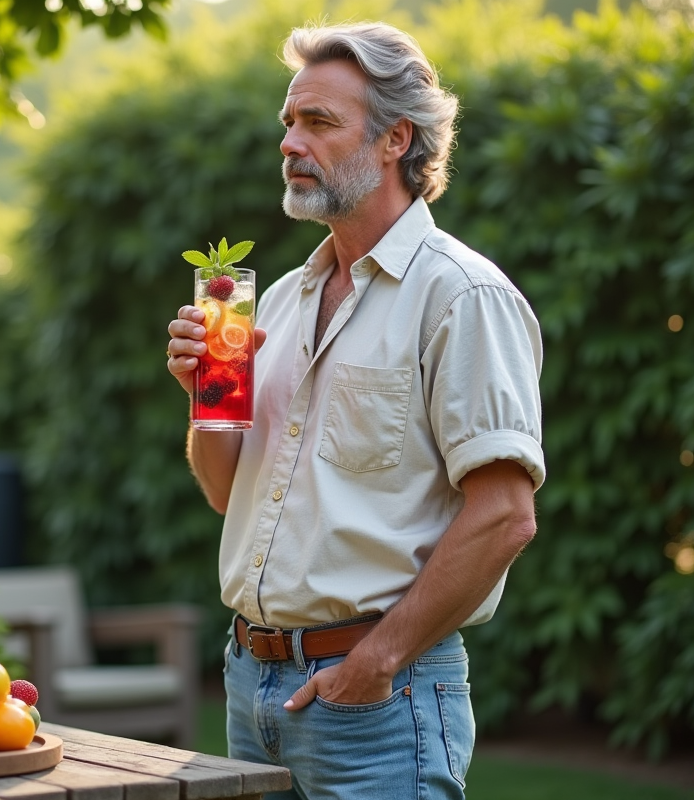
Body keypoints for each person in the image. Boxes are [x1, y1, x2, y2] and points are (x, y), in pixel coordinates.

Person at [165, 21, 545, 800]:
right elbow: (224, 493)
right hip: (250, 687)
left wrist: (376, 661)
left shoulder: (460, 296)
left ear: (393, 140)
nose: (290, 142)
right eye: (288, 122)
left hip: (378, 697)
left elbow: (505, 515)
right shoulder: (277, 299)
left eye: (319, 122)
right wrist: (206, 396)